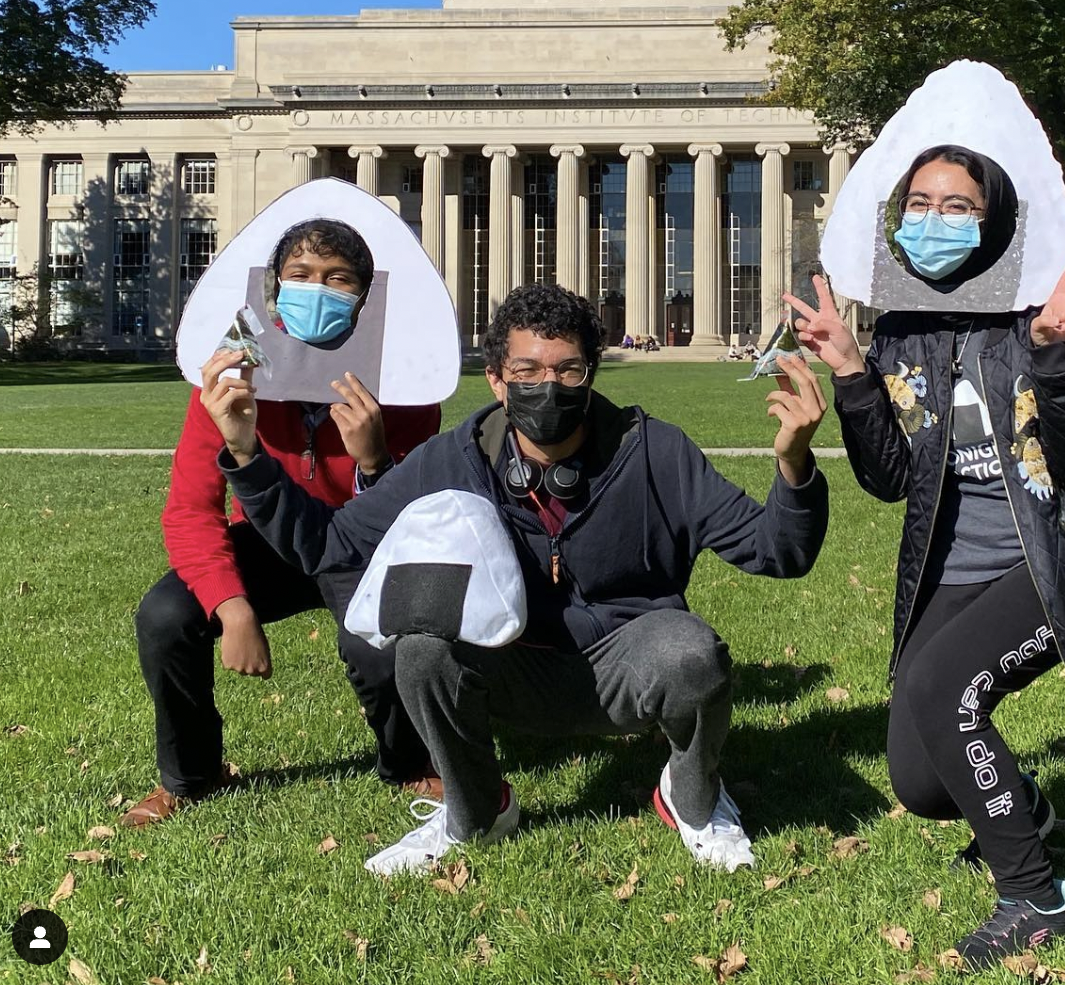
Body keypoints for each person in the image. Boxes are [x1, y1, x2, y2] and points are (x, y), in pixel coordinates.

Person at [203, 283, 830, 876]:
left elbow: (777, 553)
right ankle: (475, 812)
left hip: (627, 665)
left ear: (592, 375)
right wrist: (245, 455)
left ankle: (691, 799)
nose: (548, 387)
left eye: (568, 371)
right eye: (528, 372)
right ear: (498, 380)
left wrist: (794, 462)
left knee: (691, 651)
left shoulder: (655, 451)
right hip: (508, 669)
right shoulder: (457, 456)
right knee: (421, 647)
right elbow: (330, 545)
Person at [786, 144, 1065, 971]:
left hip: (1055, 560)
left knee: (941, 691)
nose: (933, 220)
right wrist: (854, 373)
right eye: (919, 204)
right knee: (920, 781)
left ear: (992, 219)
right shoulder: (900, 326)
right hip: (950, 569)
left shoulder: (1042, 310)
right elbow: (893, 481)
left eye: (956, 206)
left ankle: (1035, 895)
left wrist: (1055, 359)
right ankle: (1023, 806)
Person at [124, 219, 443, 827]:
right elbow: (191, 509)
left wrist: (375, 459)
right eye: (300, 276)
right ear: (274, 289)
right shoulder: (230, 368)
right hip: (270, 541)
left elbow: (410, 517)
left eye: (337, 279)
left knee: (376, 641)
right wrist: (231, 605)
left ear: (365, 295)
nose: (316, 290)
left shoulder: (404, 379)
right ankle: (191, 776)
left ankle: (410, 761)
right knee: (166, 615)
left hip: (359, 541)